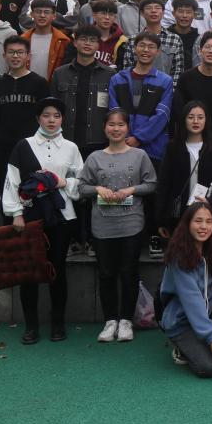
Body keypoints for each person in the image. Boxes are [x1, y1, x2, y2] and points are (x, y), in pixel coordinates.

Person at [3, 97, 83, 344]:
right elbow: (12, 181)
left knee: (57, 270)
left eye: (56, 115)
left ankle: (58, 324)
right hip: (30, 216)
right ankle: (31, 327)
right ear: (38, 118)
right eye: (46, 115)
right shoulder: (23, 146)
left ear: (62, 119)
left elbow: (82, 180)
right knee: (29, 273)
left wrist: (62, 182)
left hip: (62, 216)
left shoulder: (71, 147)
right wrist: (16, 213)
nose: (51, 120)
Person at [78, 108, 157, 343]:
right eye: (111, 124)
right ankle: (110, 320)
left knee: (128, 272)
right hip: (102, 225)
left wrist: (132, 189)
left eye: (121, 124)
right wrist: (97, 189)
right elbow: (81, 187)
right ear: (105, 128)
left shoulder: (139, 155)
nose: (116, 129)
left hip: (131, 223)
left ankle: (126, 321)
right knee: (106, 273)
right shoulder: (94, 158)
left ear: (128, 128)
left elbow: (152, 183)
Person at [51, 25, 119, 255]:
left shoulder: (110, 75)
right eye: (83, 39)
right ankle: (70, 239)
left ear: (98, 45)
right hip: (67, 143)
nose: (88, 43)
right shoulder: (60, 74)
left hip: (97, 144)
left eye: (92, 40)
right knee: (68, 191)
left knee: (96, 194)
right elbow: (53, 110)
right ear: (75, 42)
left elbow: (113, 111)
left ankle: (91, 239)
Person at [160, 202, 212, 378]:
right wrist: (210, 337)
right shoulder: (178, 259)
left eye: (208, 222)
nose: (204, 226)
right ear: (187, 224)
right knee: (210, 368)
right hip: (181, 323)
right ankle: (181, 348)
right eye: (198, 221)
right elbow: (193, 301)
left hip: (207, 314)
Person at [156, 102, 212, 242]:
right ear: (184, 119)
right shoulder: (173, 147)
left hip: (209, 213)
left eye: (200, 117)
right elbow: (164, 184)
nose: (196, 121)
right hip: (179, 215)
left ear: (206, 120)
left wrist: (211, 200)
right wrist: (161, 220)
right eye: (191, 117)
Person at [0, 36, 50, 209]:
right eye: (11, 52)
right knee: (7, 194)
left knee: (32, 195)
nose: (15, 56)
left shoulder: (39, 83)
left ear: (28, 56)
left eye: (20, 52)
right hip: (3, 148)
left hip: (32, 147)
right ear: (4, 55)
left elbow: (46, 116)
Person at [109, 32, 174, 165]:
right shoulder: (117, 79)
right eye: (142, 45)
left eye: (151, 47)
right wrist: (125, 137)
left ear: (158, 52)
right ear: (134, 48)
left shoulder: (165, 81)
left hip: (153, 150)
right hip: (121, 146)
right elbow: (114, 111)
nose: (146, 50)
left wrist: (139, 138)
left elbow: (162, 115)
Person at [175, 31, 212, 143]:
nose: (211, 51)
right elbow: (179, 111)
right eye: (207, 47)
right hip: (190, 138)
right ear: (200, 50)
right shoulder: (186, 78)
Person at [122, 0, 185, 87]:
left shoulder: (174, 39)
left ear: (163, 12)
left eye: (157, 8)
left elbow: (178, 71)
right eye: (148, 8)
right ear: (142, 13)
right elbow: (127, 68)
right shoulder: (133, 40)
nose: (153, 11)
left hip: (165, 90)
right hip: (137, 90)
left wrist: (170, 91)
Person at [21, 0, 71, 82]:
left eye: (46, 12)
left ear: (54, 16)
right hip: (26, 85)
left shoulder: (63, 40)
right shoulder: (22, 39)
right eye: (38, 12)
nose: (42, 15)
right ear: (31, 14)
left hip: (52, 86)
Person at [80, 0, 127, 69]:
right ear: (94, 15)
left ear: (115, 17)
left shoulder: (122, 41)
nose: (107, 17)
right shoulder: (81, 37)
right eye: (103, 13)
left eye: (111, 14)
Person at [168, 0, 201, 65]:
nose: (184, 16)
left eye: (188, 12)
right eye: (180, 12)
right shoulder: (165, 36)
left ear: (194, 15)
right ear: (173, 13)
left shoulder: (199, 39)